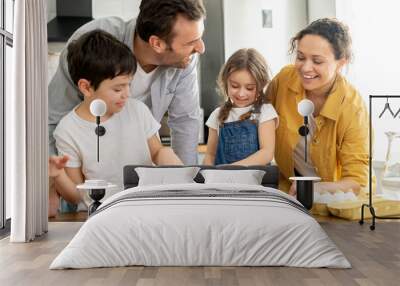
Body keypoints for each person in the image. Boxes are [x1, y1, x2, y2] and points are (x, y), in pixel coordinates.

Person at [48, 0, 206, 165]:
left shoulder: (184, 59)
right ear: (157, 43)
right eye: (190, 42)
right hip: (90, 167)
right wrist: (55, 179)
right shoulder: (92, 43)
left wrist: (188, 183)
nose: (201, 48)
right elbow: (53, 120)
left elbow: (185, 121)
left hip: (140, 171)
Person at [48, 30, 183, 216]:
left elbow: (157, 151)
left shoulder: (137, 110)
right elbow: (76, 196)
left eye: (129, 84)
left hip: (145, 208)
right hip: (101, 216)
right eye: (118, 88)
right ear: (86, 87)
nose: (127, 93)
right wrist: (57, 175)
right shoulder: (68, 130)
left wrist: (166, 156)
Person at [267, 18, 368, 195]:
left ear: (340, 63)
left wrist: (313, 189)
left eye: (317, 61)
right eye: (300, 57)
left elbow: (358, 182)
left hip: (332, 205)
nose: (306, 68)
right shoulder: (283, 80)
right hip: (286, 196)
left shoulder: (353, 108)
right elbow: (258, 123)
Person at [203, 48, 278, 166]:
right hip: (221, 182)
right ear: (225, 81)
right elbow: (210, 155)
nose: (241, 94)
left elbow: (267, 153)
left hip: (255, 183)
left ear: (260, 86)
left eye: (249, 88)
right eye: (235, 86)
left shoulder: (265, 111)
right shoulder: (217, 115)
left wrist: (233, 170)